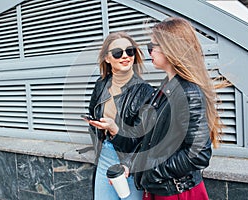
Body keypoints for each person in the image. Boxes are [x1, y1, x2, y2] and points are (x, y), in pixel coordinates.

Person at [91, 17, 228, 200]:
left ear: (171, 48)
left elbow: (198, 154)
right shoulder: (167, 87)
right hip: (161, 188)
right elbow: (149, 139)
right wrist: (131, 165)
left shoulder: (188, 92)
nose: (150, 51)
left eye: (153, 46)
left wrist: (150, 171)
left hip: (176, 192)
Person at [86, 31, 154, 200]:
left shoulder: (145, 91)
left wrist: (115, 129)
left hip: (131, 161)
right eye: (118, 53)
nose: (125, 56)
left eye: (129, 51)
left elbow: (143, 138)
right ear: (107, 59)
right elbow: (93, 113)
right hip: (106, 155)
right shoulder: (101, 85)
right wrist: (100, 133)